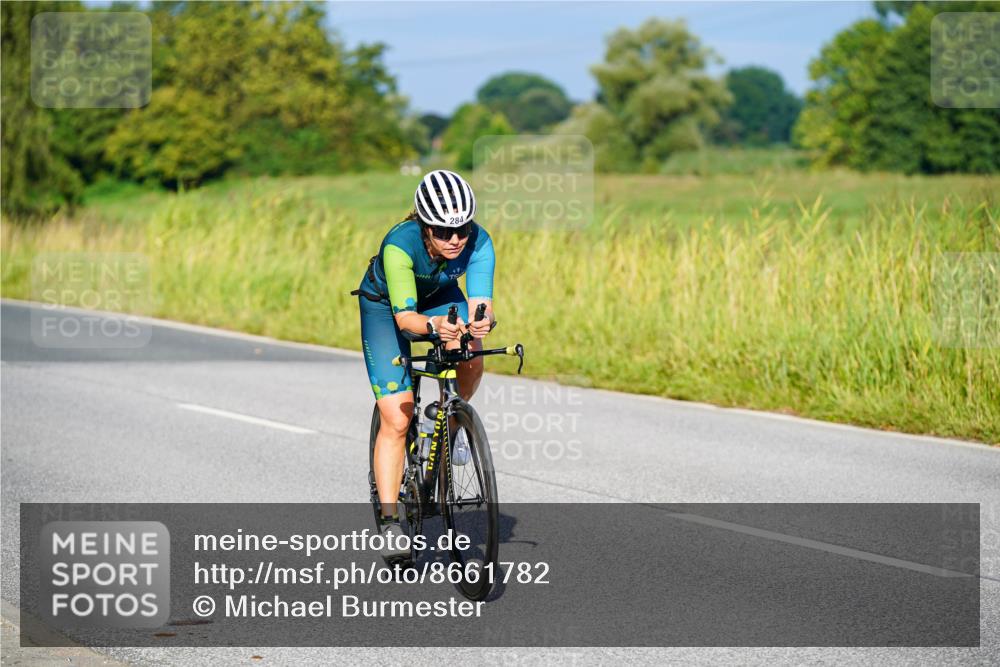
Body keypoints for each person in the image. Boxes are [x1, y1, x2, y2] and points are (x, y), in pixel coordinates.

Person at [352, 169, 495, 561]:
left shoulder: (479, 242)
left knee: (473, 346)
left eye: (462, 230)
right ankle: (390, 520)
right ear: (423, 225)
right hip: (387, 308)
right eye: (443, 232)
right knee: (397, 419)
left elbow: (480, 301)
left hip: (437, 295)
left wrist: (479, 320)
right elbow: (407, 320)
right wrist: (435, 326)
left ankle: (453, 424)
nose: (455, 240)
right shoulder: (399, 245)